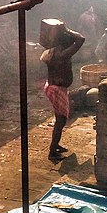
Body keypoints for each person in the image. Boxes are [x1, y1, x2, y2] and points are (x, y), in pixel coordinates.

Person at [41, 27, 85, 161]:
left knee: (60, 119)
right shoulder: (62, 55)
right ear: (66, 43)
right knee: (61, 121)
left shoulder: (52, 51)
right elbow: (81, 39)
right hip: (57, 89)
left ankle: (56, 145)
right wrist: (66, 29)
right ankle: (52, 152)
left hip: (54, 87)